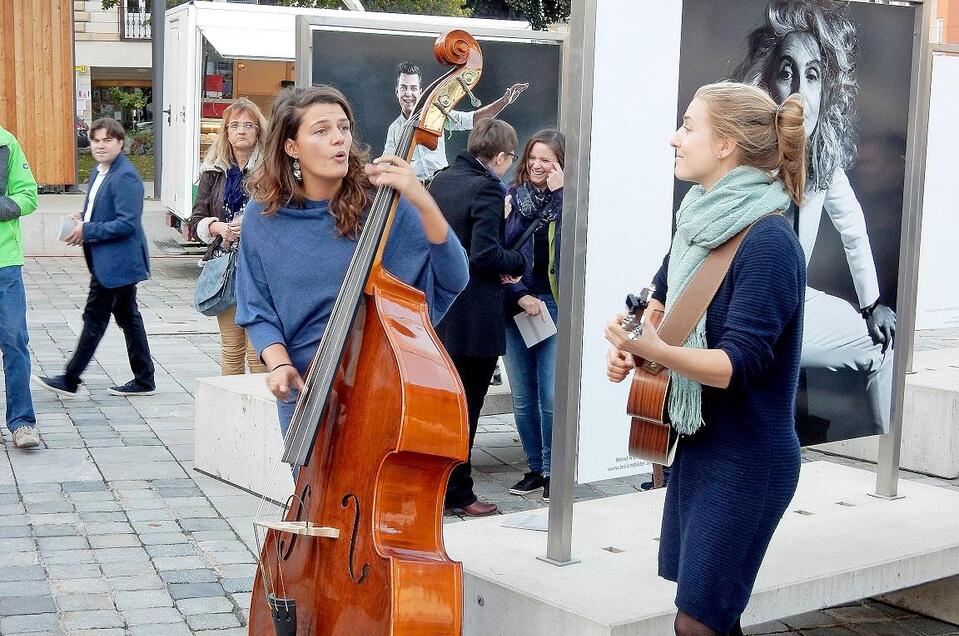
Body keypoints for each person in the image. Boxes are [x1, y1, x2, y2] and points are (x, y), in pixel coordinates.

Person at [605, 83, 807, 636]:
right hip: (700, 448)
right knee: (710, 616)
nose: (675, 138)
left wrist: (658, 351)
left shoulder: (769, 242)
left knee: (696, 622)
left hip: (749, 460)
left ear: (727, 146)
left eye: (689, 126)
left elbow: (738, 364)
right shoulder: (699, 219)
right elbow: (660, 300)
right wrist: (632, 350)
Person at [235, 86, 468, 440]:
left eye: (343, 128)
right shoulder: (263, 215)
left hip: (380, 386)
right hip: (306, 392)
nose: (338, 139)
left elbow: (453, 275)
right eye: (322, 130)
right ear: (291, 147)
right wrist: (278, 363)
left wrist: (422, 200)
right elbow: (256, 307)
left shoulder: (382, 204)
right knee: (310, 495)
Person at [735, 0, 894, 435]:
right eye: (787, 73)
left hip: (793, 301)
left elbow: (853, 229)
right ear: (768, 83)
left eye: (813, 75)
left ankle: (882, 440)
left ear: (827, 90)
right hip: (741, 304)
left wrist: (872, 304)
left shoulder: (826, 162)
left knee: (884, 343)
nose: (801, 91)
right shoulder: (745, 153)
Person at [429, 119, 527, 516]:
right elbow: (484, 253)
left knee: (442, 408)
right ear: (501, 157)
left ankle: (438, 488)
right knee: (466, 408)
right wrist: (515, 262)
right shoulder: (487, 187)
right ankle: (459, 494)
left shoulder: (441, 181)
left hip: (439, 312)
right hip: (473, 316)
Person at [34, 118, 155, 398]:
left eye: (107, 140)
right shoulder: (100, 171)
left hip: (116, 263)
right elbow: (103, 209)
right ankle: (145, 378)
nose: (100, 146)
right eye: (96, 140)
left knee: (94, 318)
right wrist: (83, 216)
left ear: (120, 143)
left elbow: (127, 223)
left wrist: (86, 229)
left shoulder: (126, 176)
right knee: (129, 318)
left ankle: (70, 378)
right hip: (111, 262)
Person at [502, 129, 564, 502]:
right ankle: (536, 469)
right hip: (516, 304)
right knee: (523, 396)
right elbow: (499, 252)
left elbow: (575, 244)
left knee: (551, 395)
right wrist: (519, 294)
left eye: (547, 159)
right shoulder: (512, 198)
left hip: (553, 304)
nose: (538, 165)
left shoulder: (568, 201)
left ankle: (555, 470)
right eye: (533, 158)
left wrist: (561, 193)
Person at [188, 98, 269, 376]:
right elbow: (195, 219)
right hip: (226, 267)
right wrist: (218, 228)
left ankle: (264, 415)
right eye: (234, 125)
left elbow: (285, 210)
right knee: (231, 348)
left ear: (258, 131)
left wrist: (253, 222)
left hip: (261, 268)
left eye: (248, 125)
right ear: (226, 133)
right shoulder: (214, 170)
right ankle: (233, 416)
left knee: (259, 352)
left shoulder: (271, 169)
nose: (241, 130)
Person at [383, 62, 529, 183]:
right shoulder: (394, 129)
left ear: (421, 91)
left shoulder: (437, 113)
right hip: (414, 190)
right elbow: (387, 162)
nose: (408, 93)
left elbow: (473, 119)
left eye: (413, 88)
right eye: (404, 88)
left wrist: (503, 102)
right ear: (397, 91)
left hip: (442, 183)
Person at [0, 124, 40, 448]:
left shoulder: (6, 142)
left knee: (14, 340)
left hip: (5, 264)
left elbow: (29, 196)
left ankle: (22, 423)